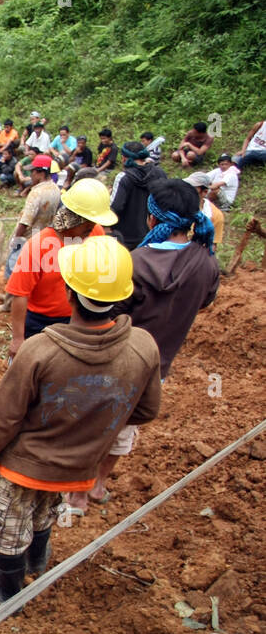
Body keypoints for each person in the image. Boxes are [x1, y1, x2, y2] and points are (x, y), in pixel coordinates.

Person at [0, 237, 162, 603]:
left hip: (24, 465)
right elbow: (145, 410)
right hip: (78, 468)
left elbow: (5, 417)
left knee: (8, 527)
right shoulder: (143, 346)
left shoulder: (40, 350)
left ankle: (7, 595)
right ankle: (37, 565)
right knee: (44, 514)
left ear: (70, 292)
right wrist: (91, 428)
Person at [62, 179, 218, 513]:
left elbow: (107, 312)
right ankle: (99, 484)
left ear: (152, 219)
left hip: (112, 358)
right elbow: (204, 301)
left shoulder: (134, 263)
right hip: (155, 365)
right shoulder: (206, 263)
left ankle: (76, 494)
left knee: (92, 424)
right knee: (125, 426)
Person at [6, 178, 116, 359]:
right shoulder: (38, 246)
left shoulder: (96, 233)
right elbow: (20, 294)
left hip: (80, 319)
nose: (91, 228)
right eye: (87, 224)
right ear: (72, 218)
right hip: (42, 323)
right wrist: (18, 338)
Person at [110, 142, 167, 249]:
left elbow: (114, 208)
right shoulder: (160, 174)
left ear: (124, 158)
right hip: (153, 236)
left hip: (124, 238)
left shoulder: (124, 177)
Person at [185, 172, 225, 252]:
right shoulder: (175, 205)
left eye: (192, 188)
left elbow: (212, 244)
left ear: (205, 192)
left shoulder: (215, 215)